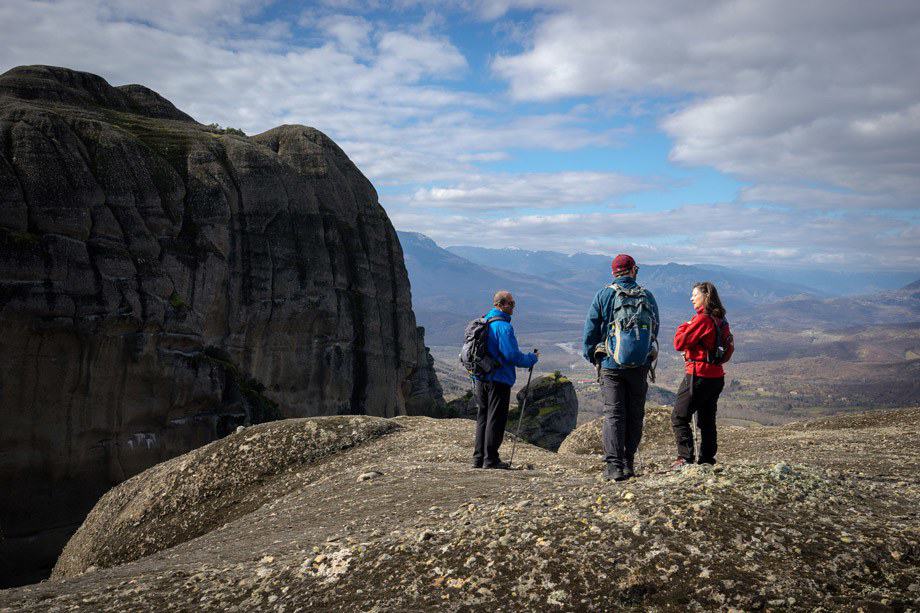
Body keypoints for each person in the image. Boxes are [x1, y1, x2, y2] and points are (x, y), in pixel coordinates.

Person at [582, 254, 659, 481]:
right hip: (640, 365)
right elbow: (654, 329)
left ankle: (614, 467)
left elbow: (590, 331)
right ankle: (629, 463)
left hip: (610, 365)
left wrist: (594, 357)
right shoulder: (648, 296)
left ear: (614, 272)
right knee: (635, 414)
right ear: (634, 270)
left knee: (614, 414)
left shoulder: (604, 295)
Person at [670, 281, 733, 469]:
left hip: (698, 376)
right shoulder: (721, 321)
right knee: (707, 420)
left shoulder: (702, 320)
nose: (691, 298)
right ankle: (707, 459)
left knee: (679, 417)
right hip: (716, 376)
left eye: (694, 295)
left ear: (705, 297)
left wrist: (685, 325)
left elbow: (679, 343)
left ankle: (685, 458)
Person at [473, 290, 539, 469]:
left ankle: (479, 458)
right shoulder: (503, 326)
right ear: (502, 304)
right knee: (496, 418)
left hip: (481, 377)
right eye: (512, 303)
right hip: (499, 378)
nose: (513, 307)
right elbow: (511, 355)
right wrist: (531, 359)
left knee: (483, 417)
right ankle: (491, 459)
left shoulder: (484, 321)